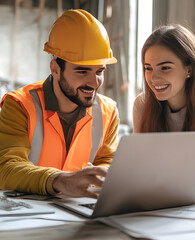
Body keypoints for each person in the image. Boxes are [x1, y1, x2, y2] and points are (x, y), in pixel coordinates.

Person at [0, 9, 119, 198]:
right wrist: (60, 181)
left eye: (99, 72)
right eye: (82, 72)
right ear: (55, 69)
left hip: (78, 215)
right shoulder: (19, 105)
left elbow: (106, 162)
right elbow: (6, 168)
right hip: (25, 218)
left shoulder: (109, 112)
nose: (94, 82)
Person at [133, 24, 195, 190]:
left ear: (189, 69)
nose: (154, 77)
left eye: (165, 68)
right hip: (160, 201)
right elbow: (140, 171)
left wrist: (166, 184)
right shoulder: (142, 105)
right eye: (148, 68)